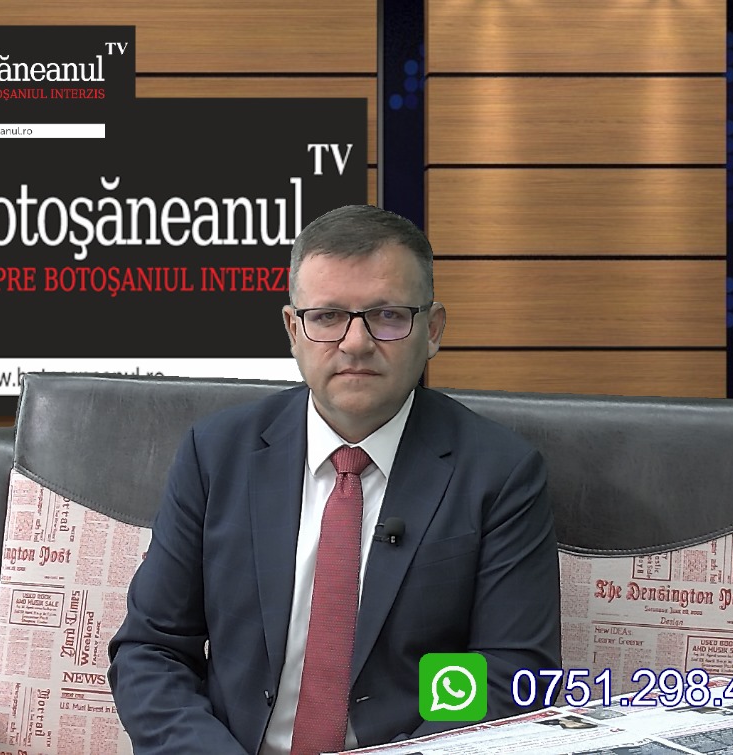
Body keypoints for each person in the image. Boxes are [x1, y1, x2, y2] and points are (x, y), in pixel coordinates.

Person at [109, 205, 562, 754]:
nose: (355, 343)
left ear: (433, 330)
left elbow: (509, 674)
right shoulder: (216, 454)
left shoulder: (501, 474)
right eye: (327, 317)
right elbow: (152, 651)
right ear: (293, 329)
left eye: (387, 315)